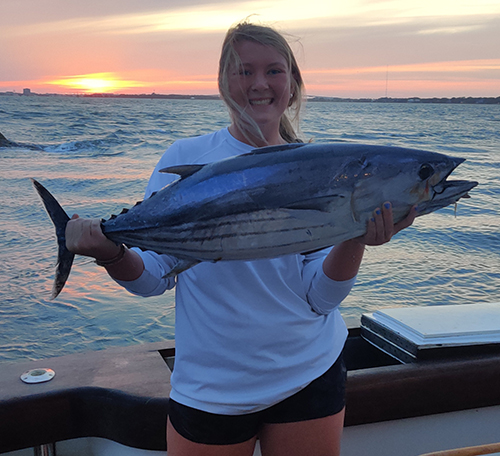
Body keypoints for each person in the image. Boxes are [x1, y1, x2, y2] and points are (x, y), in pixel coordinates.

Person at [65, 21, 418, 456]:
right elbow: (153, 279)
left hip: (309, 374)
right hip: (212, 387)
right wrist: (108, 250)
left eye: (274, 71)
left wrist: (355, 237)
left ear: (292, 84)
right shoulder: (186, 158)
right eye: (243, 71)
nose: (259, 84)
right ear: (223, 82)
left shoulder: (326, 170)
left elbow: (321, 299)